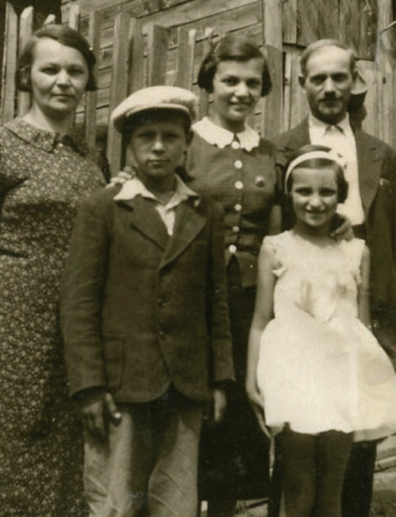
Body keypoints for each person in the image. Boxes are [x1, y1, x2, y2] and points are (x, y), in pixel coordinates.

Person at [60, 85, 235, 517]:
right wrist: (89, 386)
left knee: (175, 502)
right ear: (130, 145)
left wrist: (218, 378)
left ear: (187, 143)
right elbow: (79, 303)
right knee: (117, 501)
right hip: (121, 384)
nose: (158, 147)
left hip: (185, 380)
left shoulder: (204, 211)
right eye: (146, 137)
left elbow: (217, 303)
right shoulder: (102, 208)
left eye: (171, 137)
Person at [271, 39, 396, 517]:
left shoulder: (380, 152)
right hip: (304, 308)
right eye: (317, 78)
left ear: (354, 81)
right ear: (301, 83)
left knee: (357, 437)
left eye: (338, 77)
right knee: (299, 443)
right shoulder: (280, 148)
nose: (328, 87)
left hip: (367, 304)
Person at [246, 145, 396, 517]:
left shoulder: (356, 252)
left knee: (332, 492)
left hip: (339, 381)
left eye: (327, 192)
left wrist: (368, 386)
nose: (315, 201)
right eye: (304, 191)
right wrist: (252, 380)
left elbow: (359, 327)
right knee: (298, 491)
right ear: (289, 194)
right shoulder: (276, 249)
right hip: (293, 378)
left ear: (341, 196)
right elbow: (261, 320)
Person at [0, 24, 108, 516]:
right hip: (13, 327)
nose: (62, 80)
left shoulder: (91, 158)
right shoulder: (5, 147)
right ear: (27, 77)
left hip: (76, 331)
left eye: (75, 71)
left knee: (67, 453)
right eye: (50, 69)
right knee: (14, 447)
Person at [182, 35, 277, 517]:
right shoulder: (186, 142)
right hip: (191, 300)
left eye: (252, 83)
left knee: (239, 413)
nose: (241, 92)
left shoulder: (270, 153)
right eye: (230, 81)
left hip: (248, 306)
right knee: (195, 409)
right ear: (208, 84)